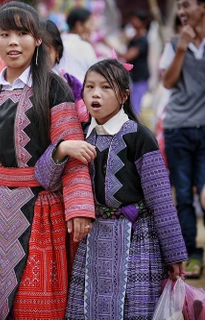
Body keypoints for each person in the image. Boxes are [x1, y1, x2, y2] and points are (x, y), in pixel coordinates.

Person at [0, 2, 95, 319]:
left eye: (23, 33)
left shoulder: (54, 88)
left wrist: (80, 208)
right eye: (5, 34)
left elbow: (75, 149)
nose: (14, 42)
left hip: (39, 208)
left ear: (38, 39)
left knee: (30, 305)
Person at [65, 59, 188, 319]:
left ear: (124, 95)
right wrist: (61, 149)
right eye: (89, 87)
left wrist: (174, 254)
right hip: (93, 239)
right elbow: (50, 175)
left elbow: (161, 199)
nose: (95, 94)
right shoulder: (81, 136)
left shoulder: (139, 136)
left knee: (134, 308)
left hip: (137, 238)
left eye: (105, 87)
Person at [159, 0, 205, 279]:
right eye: (179, 7)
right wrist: (180, 48)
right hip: (178, 128)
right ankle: (192, 255)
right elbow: (168, 82)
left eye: (187, 5)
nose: (182, 11)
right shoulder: (173, 44)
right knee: (185, 196)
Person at [42, 19, 89, 123]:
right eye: (34, 52)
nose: (38, 58)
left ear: (57, 52)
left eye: (45, 52)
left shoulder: (70, 85)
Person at [120, 11, 150, 114]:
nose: (132, 22)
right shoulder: (134, 38)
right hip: (132, 77)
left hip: (140, 77)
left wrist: (107, 44)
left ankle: (135, 128)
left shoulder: (142, 40)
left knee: (135, 106)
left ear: (142, 22)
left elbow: (128, 56)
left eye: (135, 19)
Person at [57, 7, 97, 83]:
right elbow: (95, 71)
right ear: (79, 25)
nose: (92, 29)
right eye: (90, 24)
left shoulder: (58, 42)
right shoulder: (86, 46)